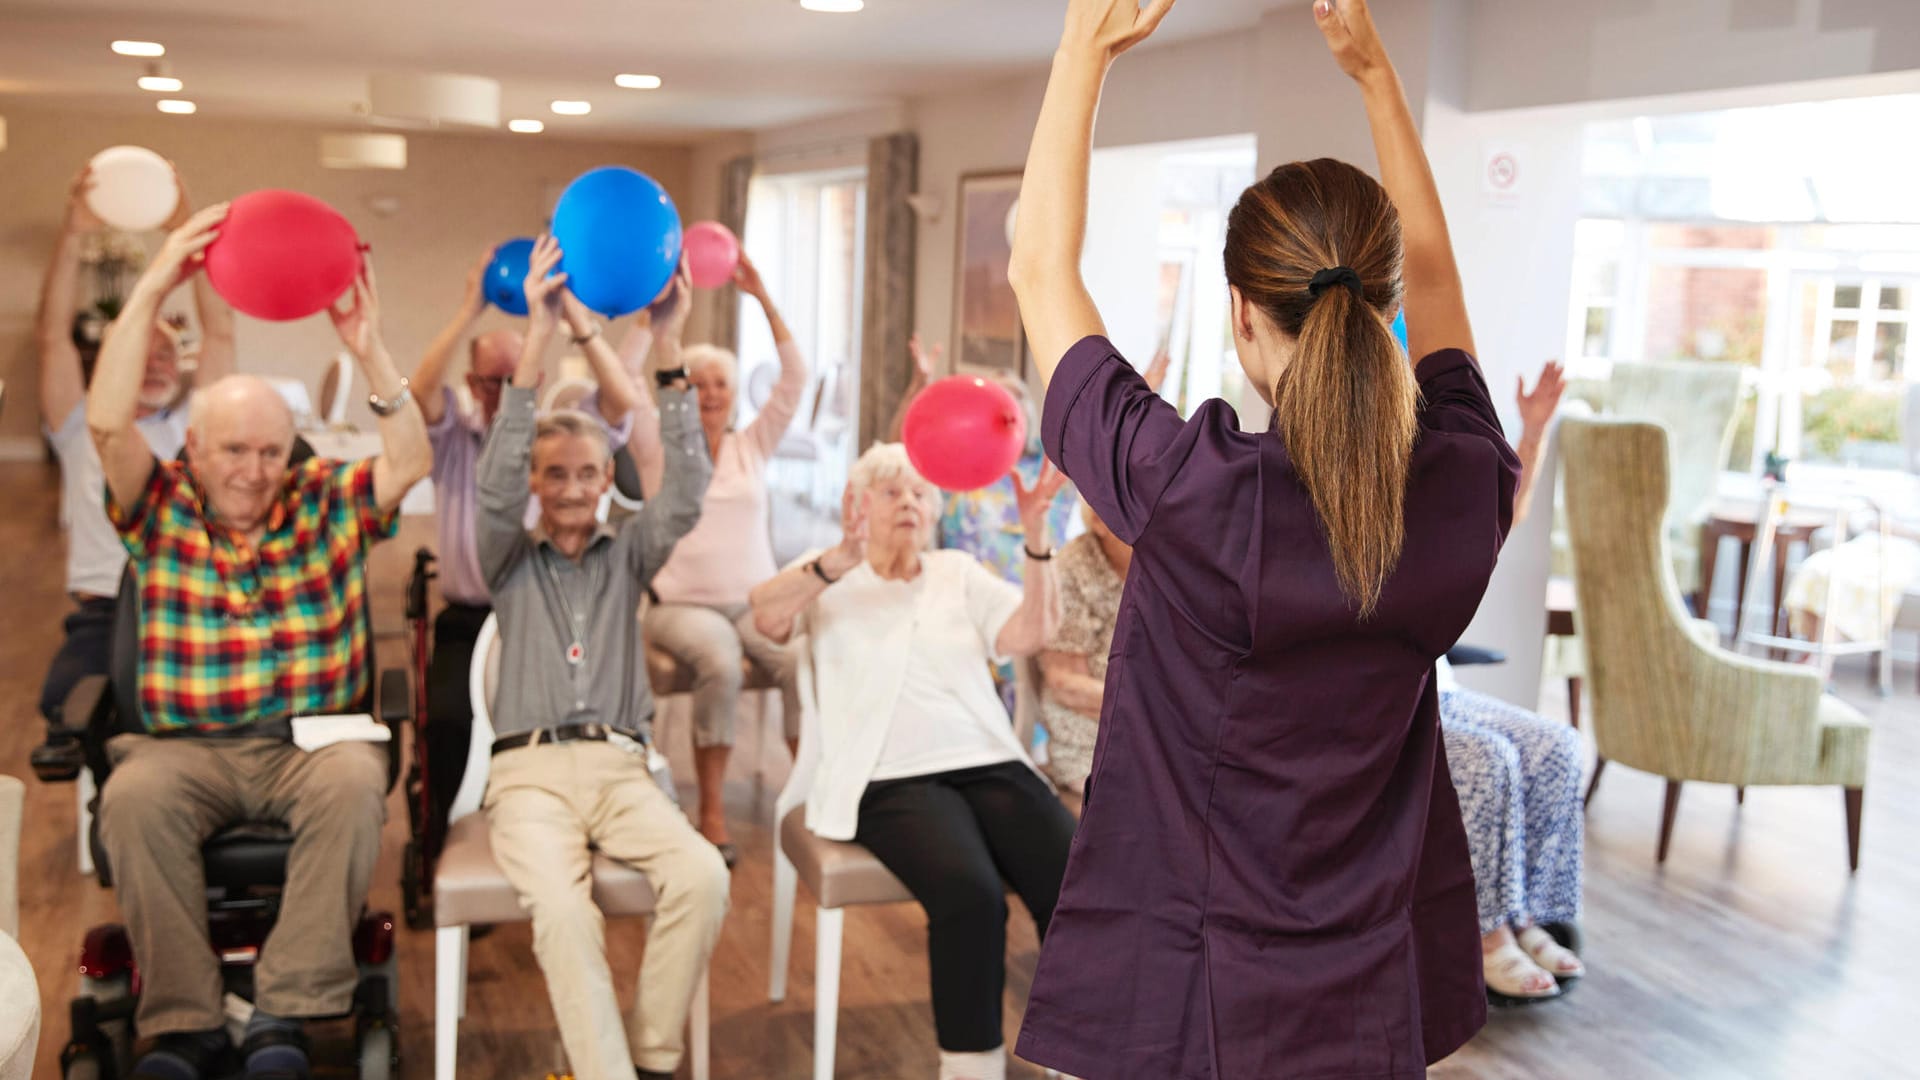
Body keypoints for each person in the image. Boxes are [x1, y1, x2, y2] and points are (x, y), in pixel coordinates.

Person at [1006, 1, 1520, 1076]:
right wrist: (1378, 76)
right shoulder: (1462, 483)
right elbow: (1441, 285)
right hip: (1373, 983)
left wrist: (1083, 49)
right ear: (1379, 313)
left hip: (1199, 992)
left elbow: (1038, 272)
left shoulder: (1192, 492)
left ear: (1241, 317)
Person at [90, 207, 430, 1080]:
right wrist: (161, 277)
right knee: (130, 799)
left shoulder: (322, 498)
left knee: (358, 779)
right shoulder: (157, 505)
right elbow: (104, 421)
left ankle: (287, 1008)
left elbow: (411, 460)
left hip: (307, 749)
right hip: (186, 752)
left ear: (293, 451)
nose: (252, 469)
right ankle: (184, 1024)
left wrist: (369, 349)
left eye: (271, 451)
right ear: (194, 449)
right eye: (233, 449)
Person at [474, 237, 728, 1080]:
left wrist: (671, 340)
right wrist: (542, 335)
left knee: (702, 876)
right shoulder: (508, 558)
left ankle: (649, 1060)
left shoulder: (631, 551)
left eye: (589, 472)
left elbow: (687, 488)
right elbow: (495, 486)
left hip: (623, 769)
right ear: (537, 485)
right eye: (558, 474)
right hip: (531, 777)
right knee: (564, 911)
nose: (577, 487)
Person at [749, 443, 1077, 1080]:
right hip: (886, 775)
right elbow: (764, 615)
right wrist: (839, 559)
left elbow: (1030, 633)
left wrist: (1037, 538)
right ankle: (971, 1068)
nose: (909, 503)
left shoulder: (956, 570)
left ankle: (1078, 1054)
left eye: (920, 493)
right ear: (857, 505)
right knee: (971, 895)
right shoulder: (826, 575)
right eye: (891, 491)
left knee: (1078, 881)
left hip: (988, 758)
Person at [409, 244, 658, 846]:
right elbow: (418, 391)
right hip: (471, 618)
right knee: (447, 721)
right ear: (472, 383)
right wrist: (469, 309)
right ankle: (451, 839)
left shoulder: (561, 441)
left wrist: (571, 321)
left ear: (535, 378)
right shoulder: (455, 439)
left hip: (552, 611)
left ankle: (570, 824)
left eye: (514, 377)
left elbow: (622, 401)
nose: (502, 390)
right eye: (490, 380)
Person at [35, 164, 235, 746]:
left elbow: (219, 333)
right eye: (140, 356)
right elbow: (52, 338)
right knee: (66, 706)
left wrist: (189, 226)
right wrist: (73, 233)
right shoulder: (81, 423)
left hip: (193, 605)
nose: (154, 365)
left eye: (167, 356)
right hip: (103, 612)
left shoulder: (200, 422)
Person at [637, 252, 806, 864]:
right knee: (720, 662)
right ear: (679, 392)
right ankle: (710, 808)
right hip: (678, 605)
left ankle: (810, 793)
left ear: (734, 397)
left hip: (752, 601)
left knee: (794, 661)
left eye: (720, 386)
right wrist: (659, 326)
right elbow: (626, 388)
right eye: (697, 383)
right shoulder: (658, 447)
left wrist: (763, 298)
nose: (709, 394)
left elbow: (794, 381)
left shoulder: (750, 446)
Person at [1438, 359, 1588, 1004]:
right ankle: (1487, 937)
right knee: (1488, 759)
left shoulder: (1428, 489)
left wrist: (1533, 432)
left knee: (1556, 743)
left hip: (1437, 687)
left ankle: (1529, 919)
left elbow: (1505, 511)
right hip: (1372, 700)